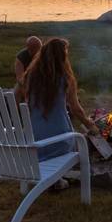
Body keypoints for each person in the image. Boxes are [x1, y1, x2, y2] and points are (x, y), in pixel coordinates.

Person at [22, 37, 99, 169]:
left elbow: (28, 104)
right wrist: (90, 125)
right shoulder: (65, 78)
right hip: (60, 142)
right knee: (87, 142)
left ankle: (56, 178)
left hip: (32, 143)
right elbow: (76, 109)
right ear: (63, 56)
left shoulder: (30, 76)